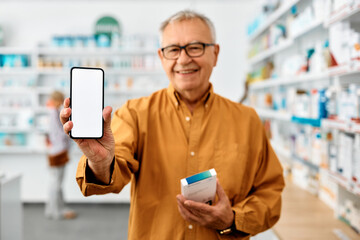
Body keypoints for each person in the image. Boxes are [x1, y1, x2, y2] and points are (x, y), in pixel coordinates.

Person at [60, 10, 284, 239]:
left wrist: (232, 219)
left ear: (215, 54)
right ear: (161, 57)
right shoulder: (135, 114)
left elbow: (271, 194)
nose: (184, 59)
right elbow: (112, 173)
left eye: (195, 47)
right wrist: (101, 161)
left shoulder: (247, 121)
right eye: (173, 49)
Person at [45, 91, 77, 220]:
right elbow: (60, 133)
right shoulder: (54, 113)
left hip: (56, 151)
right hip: (58, 152)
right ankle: (56, 212)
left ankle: (55, 210)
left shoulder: (53, 113)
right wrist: (70, 132)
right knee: (56, 184)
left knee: (56, 183)